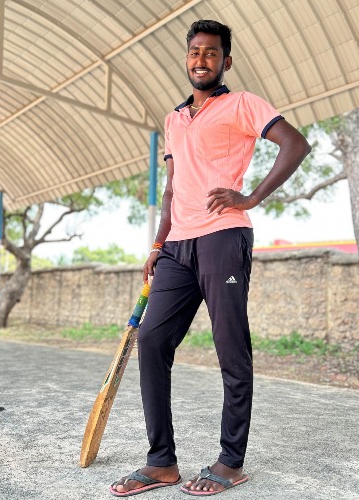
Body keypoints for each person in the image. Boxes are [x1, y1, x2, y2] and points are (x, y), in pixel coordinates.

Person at [110, 19, 311, 497]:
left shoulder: (243, 104)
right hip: (177, 247)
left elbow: (296, 144)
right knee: (152, 343)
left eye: (212, 52)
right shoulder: (174, 118)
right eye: (195, 51)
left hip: (223, 237)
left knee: (230, 349)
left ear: (226, 61)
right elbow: (172, 188)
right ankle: (161, 463)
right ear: (187, 58)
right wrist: (158, 244)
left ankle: (230, 462)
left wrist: (251, 197)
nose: (202, 59)